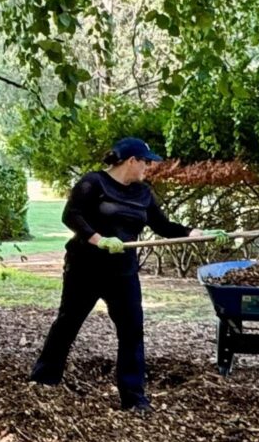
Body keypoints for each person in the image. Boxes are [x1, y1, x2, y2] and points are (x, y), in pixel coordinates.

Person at [29, 136, 230, 412]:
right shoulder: (93, 183)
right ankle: (43, 381)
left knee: (132, 331)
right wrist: (99, 240)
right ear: (131, 160)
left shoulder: (143, 193)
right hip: (85, 269)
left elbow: (162, 226)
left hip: (123, 273)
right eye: (145, 161)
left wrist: (196, 234)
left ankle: (134, 397)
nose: (148, 167)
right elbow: (71, 215)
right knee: (68, 323)